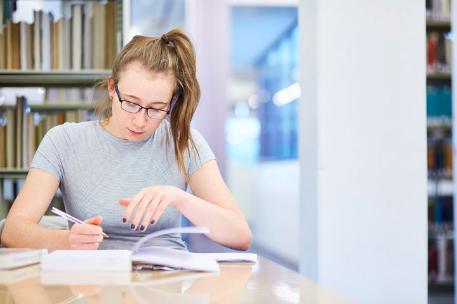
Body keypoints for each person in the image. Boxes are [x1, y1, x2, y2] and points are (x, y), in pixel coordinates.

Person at [1, 28, 252, 252]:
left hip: (165, 285)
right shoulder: (63, 140)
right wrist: (67, 241)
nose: (140, 121)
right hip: (93, 286)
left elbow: (240, 235)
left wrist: (178, 197)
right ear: (112, 88)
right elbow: (13, 231)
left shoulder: (183, 141)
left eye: (156, 108)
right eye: (131, 103)